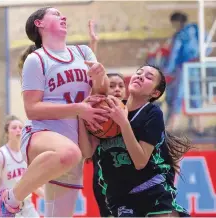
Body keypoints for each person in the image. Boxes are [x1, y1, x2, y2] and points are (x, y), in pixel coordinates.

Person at [0, 7, 110, 217]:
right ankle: (9, 199)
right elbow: (32, 109)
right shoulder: (36, 60)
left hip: (74, 145)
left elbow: (101, 93)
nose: (63, 16)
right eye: (56, 14)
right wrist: (77, 109)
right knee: (69, 152)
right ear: (40, 24)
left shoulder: (83, 52)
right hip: (42, 135)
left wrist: (100, 77)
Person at [79, 65, 191, 217]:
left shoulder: (152, 113)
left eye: (148, 77)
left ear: (155, 92)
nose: (140, 76)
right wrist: (81, 114)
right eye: (138, 73)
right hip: (121, 196)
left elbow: (140, 161)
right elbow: (87, 152)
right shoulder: (109, 109)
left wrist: (123, 123)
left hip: (151, 189)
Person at [86, 73, 126, 217]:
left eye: (121, 86)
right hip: (104, 183)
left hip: (132, 181)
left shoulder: (137, 114)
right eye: (112, 85)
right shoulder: (95, 116)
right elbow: (87, 153)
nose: (117, 89)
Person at [0, 115, 44, 217]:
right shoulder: (0, 155)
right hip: (8, 206)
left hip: (26, 204)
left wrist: (46, 195)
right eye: (14, 128)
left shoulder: (27, 154)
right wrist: (3, 195)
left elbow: (31, 183)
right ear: (7, 133)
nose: (18, 130)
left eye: (20, 128)